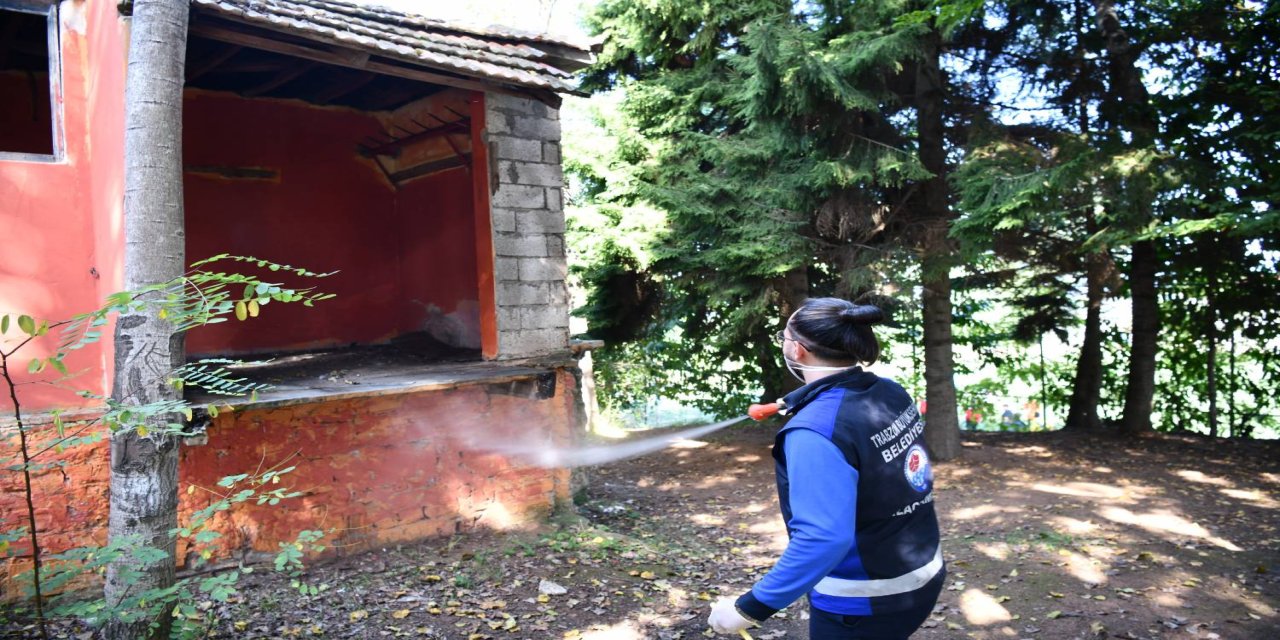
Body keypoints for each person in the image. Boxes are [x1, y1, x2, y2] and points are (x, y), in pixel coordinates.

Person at [708, 298, 945, 639]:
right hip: (921, 577)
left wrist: (748, 608)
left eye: (784, 338)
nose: (784, 345)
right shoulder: (890, 393)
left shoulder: (814, 432)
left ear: (799, 350)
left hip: (864, 602)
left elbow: (823, 539)